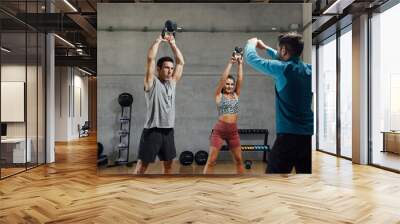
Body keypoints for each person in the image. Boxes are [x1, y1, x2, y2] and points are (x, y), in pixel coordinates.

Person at [244, 32, 313, 174]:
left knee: (273, 181)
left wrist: (251, 43)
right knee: (306, 181)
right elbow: (287, 58)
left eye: (280, 49)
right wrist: (267, 48)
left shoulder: (282, 69)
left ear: (283, 50)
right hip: (308, 138)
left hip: (288, 139)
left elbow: (251, 58)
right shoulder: (309, 70)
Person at [134, 34, 184, 174]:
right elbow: (150, 58)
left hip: (168, 130)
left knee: (168, 166)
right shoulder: (152, 82)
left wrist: (173, 44)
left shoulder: (172, 84)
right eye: (167, 68)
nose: (170, 71)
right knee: (142, 168)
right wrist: (158, 40)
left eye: (171, 68)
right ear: (158, 69)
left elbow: (181, 63)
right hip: (153, 131)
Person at [203, 53, 244, 174]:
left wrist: (240, 64)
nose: (230, 86)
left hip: (233, 132)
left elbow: (240, 79)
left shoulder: (236, 95)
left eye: (232, 84)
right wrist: (231, 63)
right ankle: (204, 186)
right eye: (227, 83)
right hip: (219, 131)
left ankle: (242, 186)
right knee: (211, 161)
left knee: (239, 160)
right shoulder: (218, 95)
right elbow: (222, 79)